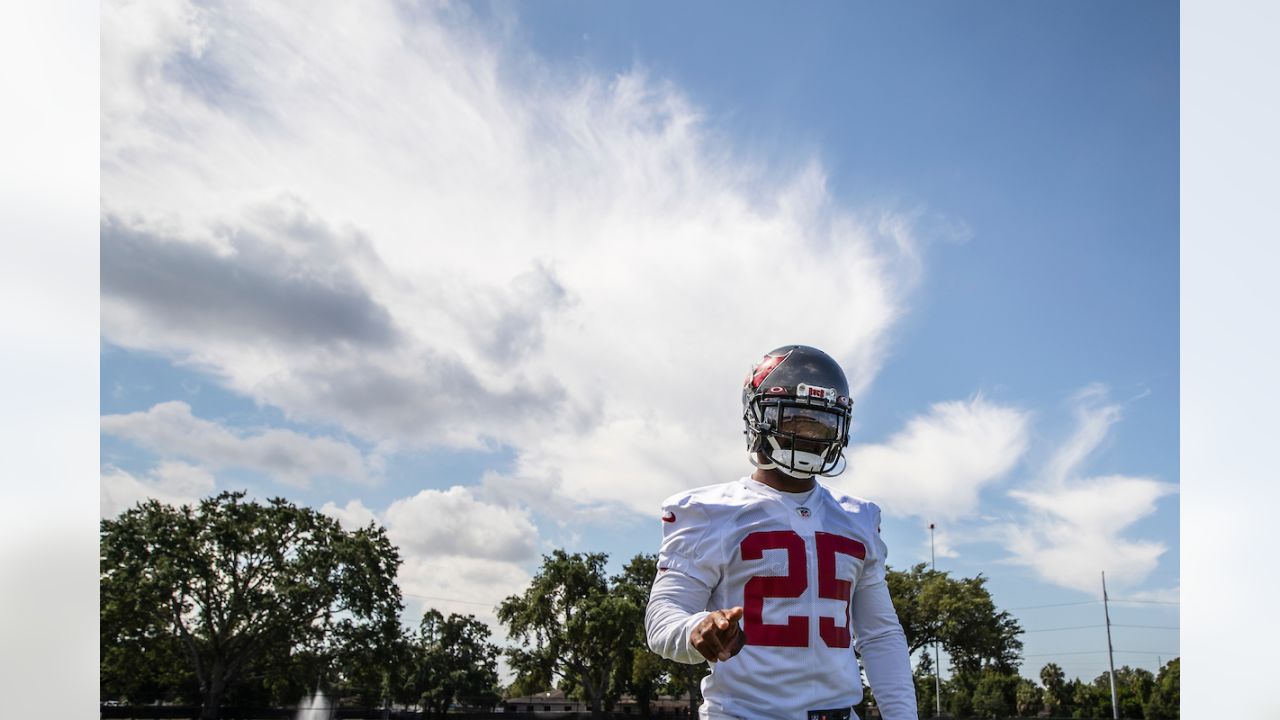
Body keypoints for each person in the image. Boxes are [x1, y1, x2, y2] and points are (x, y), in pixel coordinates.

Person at [645, 345, 916, 720]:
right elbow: (662, 618)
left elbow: (880, 635)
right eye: (794, 419)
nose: (808, 434)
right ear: (759, 416)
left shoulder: (858, 518)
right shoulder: (710, 512)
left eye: (820, 422)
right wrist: (697, 627)